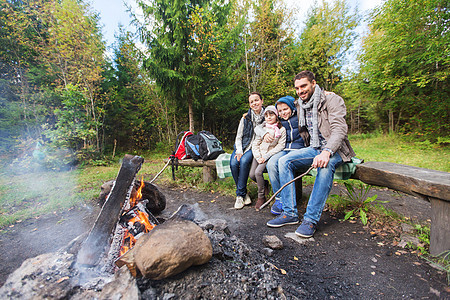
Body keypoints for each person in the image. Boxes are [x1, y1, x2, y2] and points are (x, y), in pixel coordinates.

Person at [266, 71, 356, 238]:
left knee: (325, 165)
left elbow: (340, 130)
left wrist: (327, 152)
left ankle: (310, 220)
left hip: (334, 149)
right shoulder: (300, 104)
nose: (300, 90)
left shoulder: (332, 100)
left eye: (304, 86)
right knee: (283, 161)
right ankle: (289, 213)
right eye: (297, 88)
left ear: (314, 83)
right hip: (314, 147)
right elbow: (281, 108)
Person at [262, 96, 306, 215]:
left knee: (284, 163)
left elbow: (304, 102)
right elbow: (260, 126)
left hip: (298, 149)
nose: (283, 113)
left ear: (292, 108)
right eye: (280, 111)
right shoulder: (278, 122)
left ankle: (289, 200)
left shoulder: (300, 117)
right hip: (283, 148)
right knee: (271, 164)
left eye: (285, 109)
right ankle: (279, 198)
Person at [230, 92, 265, 209]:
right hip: (242, 145)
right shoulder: (245, 118)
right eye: (252, 102)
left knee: (244, 161)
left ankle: (239, 196)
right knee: (234, 163)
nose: (254, 103)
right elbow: (238, 137)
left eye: (256, 100)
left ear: (262, 101)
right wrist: (239, 151)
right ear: (249, 105)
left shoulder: (268, 115)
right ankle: (244, 194)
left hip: (254, 147)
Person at [249, 105, 286, 211]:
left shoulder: (281, 130)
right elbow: (255, 144)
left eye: (271, 115)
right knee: (252, 175)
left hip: (269, 156)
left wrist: (265, 157)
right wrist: (258, 156)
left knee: (258, 172)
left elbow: (280, 146)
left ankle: (261, 197)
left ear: (276, 116)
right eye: (266, 116)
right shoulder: (262, 129)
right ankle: (264, 184)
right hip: (259, 155)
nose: (269, 118)